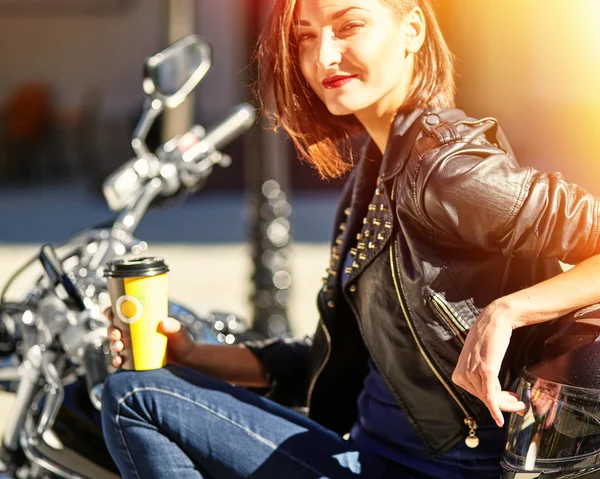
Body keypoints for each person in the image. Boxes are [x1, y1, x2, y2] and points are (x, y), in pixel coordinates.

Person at [100, 0, 600, 477]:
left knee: (133, 397)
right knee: (152, 379)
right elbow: (335, 362)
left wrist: (508, 311)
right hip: (363, 454)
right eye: (306, 37)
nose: (324, 56)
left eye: (349, 26)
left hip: (434, 469)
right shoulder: (378, 168)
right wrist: (193, 354)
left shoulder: (446, 170)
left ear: (413, 31)